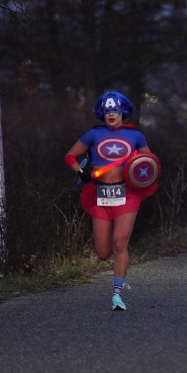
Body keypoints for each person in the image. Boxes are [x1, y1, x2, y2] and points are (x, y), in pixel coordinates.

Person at [65, 91, 158, 311]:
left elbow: (150, 163)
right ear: (102, 114)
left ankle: (117, 293)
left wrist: (139, 173)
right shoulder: (93, 135)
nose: (111, 115)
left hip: (126, 195)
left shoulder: (135, 136)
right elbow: (69, 156)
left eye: (115, 110)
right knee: (103, 252)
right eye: (107, 111)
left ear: (122, 112)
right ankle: (119, 276)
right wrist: (81, 172)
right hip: (101, 196)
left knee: (120, 243)